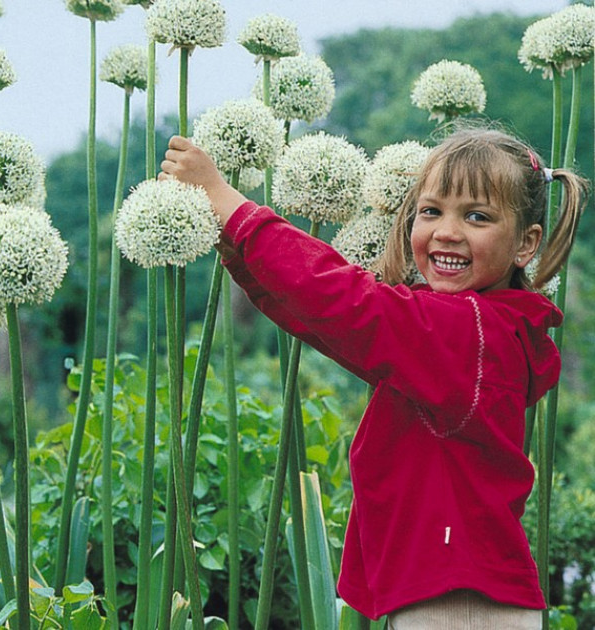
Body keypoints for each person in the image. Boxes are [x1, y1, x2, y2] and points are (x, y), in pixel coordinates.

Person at [159, 126, 589, 630]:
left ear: (526, 244)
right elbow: (323, 322)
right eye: (431, 211)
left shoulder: (468, 334)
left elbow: (344, 303)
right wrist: (237, 250)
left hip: (462, 604)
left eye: (477, 216)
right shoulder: (466, 336)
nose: (447, 231)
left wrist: (227, 201)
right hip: (454, 595)